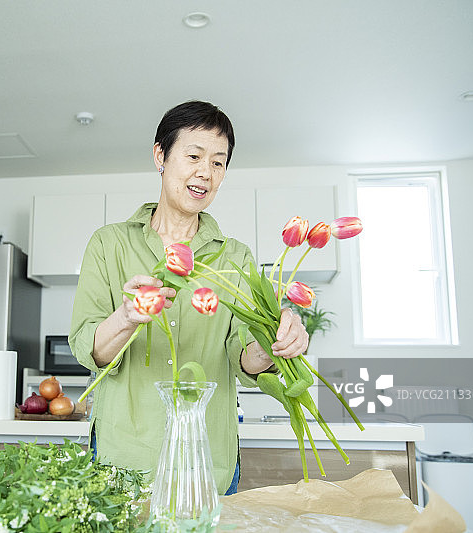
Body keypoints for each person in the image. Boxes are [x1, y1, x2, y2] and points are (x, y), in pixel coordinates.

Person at [69, 101, 309, 495]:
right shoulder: (108, 244)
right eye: (194, 156)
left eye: (218, 162)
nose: (205, 173)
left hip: (207, 462)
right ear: (160, 155)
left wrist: (277, 341)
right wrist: (127, 316)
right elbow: (87, 348)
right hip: (123, 460)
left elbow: (245, 357)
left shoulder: (234, 257)